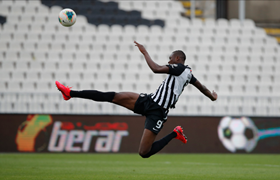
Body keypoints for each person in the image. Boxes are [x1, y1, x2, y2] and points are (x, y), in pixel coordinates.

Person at [55, 41, 218, 158]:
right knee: (111, 96)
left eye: (170, 58)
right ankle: (70, 93)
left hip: (158, 112)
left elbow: (155, 69)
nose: (168, 61)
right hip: (149, 100)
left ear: (177, 59)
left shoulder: (179, 67)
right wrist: (212, 97)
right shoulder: (188, 74)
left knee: (143, 152)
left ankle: (175, 134)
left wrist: (145, 52)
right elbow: (202, 87)